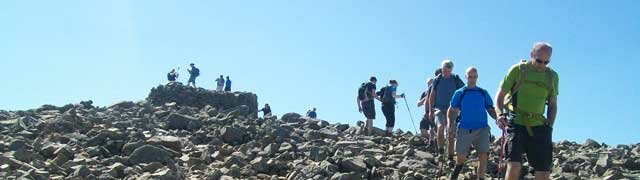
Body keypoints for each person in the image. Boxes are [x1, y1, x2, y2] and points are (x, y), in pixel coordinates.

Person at [494, 42, 558, 180]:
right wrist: (499, 115)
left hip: (540, 126)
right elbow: (499, 95)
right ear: (531, 55)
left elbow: (553, 104)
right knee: (514, 165)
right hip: (516, 123)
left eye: (546, 62)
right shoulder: (517, 70)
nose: (542, 65)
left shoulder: (552, 76)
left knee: (543, 171)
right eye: (539, 61)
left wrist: (549, 126)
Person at [447, 67, 497, 180]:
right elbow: (452, 110)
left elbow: (490, 108)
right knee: (461, 158)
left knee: (483, 155)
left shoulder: (483, 92)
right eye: (470, 77)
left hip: (482, 129)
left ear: (477, 77)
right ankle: (455, 174)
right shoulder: (460, 93)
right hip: (465, 129)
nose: (472, 79)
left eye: (474, 77)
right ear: (466, 77)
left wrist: (498, 119)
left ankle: (481, 178)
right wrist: (450, 124)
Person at [427, 59, 465, 163]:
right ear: (442, 69)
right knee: (440, 128)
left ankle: (450, 157)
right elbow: (432, 96)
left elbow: (464, 92)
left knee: (451, 132)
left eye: (448, 71)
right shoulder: (437, 79)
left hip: (452, 110)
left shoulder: (456, 79)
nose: (446, 73)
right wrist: (430, 111)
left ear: (451, 70)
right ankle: (440, 152)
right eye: (444, 70)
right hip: (439, 109)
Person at [418, 68, 442, 146]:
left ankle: (433, 142)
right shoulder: (426, 92)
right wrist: (425, 111)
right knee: (423, 129)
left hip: (437, 110)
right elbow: (419, 104)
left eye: (430, 83)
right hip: (428, 110)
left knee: (433, 128)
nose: (429, 84)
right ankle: (434, 140)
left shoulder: (440, 87)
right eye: (428, 83)